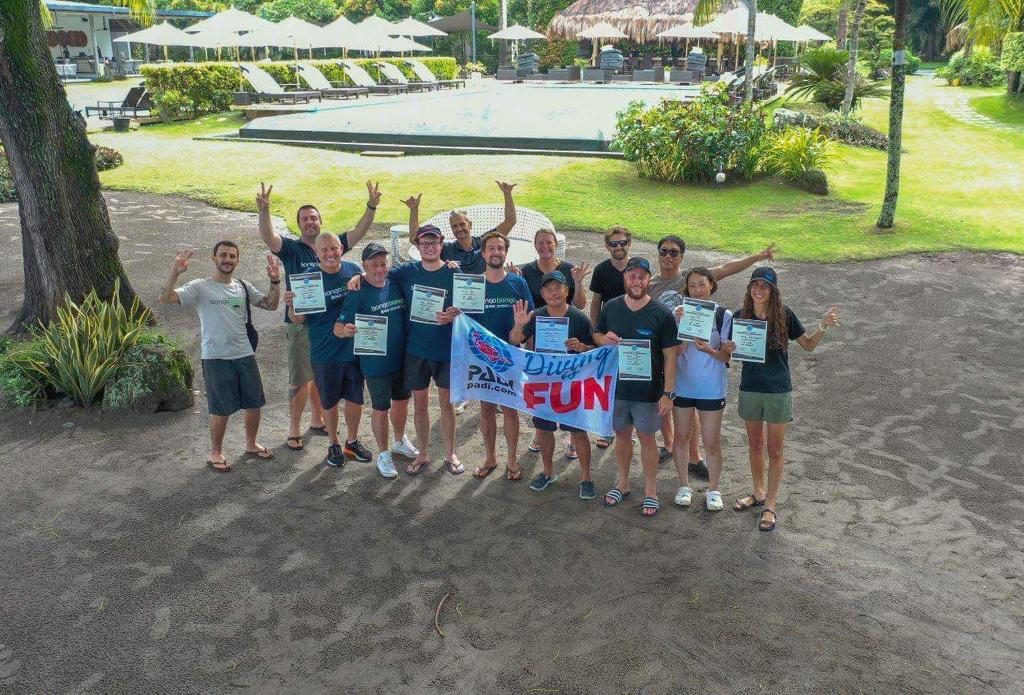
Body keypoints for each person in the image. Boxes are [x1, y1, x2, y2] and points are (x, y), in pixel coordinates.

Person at [256, 180, 380, 452]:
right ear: (299, 224)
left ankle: (318, 420)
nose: (310, 222)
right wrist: (264, 211)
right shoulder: (291, 249)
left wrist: (371, 205)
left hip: (335, 327)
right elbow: (268, 237)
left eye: (314, 218)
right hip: (301, 322)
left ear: (321, 222)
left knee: (323, 376)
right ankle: (294, 428)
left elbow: (360, 231)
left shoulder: (335, 249)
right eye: (304, 219)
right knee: (301, 377)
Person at [648, 234, 776, 470]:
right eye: (664, 251)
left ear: (681, 257)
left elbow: (727, 268)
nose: (668, 256)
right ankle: (668, 443)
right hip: (664, 348)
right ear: (658, 254)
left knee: (688, 401)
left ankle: (693, 456)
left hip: (695, 356)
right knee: (665, 399)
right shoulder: (650, 283)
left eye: (674, 252)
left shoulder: (691, 277)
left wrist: (758, 257)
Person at [731, 267, 839, 532]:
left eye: (764, 286)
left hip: (778, 389)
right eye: (755, 285)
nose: (758, 290)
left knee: (775, 450)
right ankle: (757, 492)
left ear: (773, 290)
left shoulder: (784, 315)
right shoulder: (740, 316)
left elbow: (808, 345)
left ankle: (770, 503)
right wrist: (727, 347)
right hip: (750, 387)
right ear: (749, 288)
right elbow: (723, 347)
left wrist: (823, 325)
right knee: (755, 444)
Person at [160, 242, 281, 472]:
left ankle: (251, 444)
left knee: (254, 404)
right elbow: (165, 298)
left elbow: (271, 305)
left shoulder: (243, 287)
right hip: (215, 357)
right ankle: (215, 451)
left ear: (237, 260)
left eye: (232, 256)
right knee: (221, 409)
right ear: (214, 258)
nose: (227, 259)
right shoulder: (200, 287)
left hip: (245, 354)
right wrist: (175, 271)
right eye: (223, 255)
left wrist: (275, 280)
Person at [593, 257, 681, 517]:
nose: (636, 281)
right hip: (617, 389)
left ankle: (651, 491)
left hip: (648, 392)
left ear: (648, 280)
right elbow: (597, 333)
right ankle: (622, 483)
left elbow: (671, 357)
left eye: (642, 277)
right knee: (621, 436)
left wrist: (668, 393)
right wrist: (602, 339)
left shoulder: (661, 314)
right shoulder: (611, 307)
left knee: (646, 438)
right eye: (632, 276)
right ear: (625, 278)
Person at [377, 225, 463, 475]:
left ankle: (450, 453)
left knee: (447, 404)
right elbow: (378, 274)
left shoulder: (454, 272)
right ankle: (423, 453)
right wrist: (357, 277)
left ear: (441, 244)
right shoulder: (406, 272)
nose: (429, 247)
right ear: (416, 245)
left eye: (433, 243)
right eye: (424, 243)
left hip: (445, 350)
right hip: (416, 350)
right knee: (420, 404)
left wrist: (455, 314)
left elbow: (469, 305)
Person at [284, 233, 372, 468]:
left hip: (354, 346)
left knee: (356, 398)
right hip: (324, 350)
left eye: (334, 248)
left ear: (341, 248)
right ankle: (333, 442)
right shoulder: (307, 280)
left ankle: (352, 441)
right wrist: (292, 305)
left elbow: (376, 282)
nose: (330, 254)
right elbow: (298, 319)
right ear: (316, 252)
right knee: (329, 401)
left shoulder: (353, 269)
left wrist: (362, 275)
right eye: (324, 250)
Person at [509, 271, 597, 499]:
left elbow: (595, 353)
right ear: (542, 293)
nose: (554, 292)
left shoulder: (579, 318)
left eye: (558, 287)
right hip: (543, 385)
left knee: (578, 433)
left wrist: (582, 347)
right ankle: (548, 472)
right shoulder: (535, 316)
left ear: (566, 290)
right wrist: (519, 325)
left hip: (572, 386)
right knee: (544, 431)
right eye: (548, 289)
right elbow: (514, 340)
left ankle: (586, 477)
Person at [336, 243, 419, 478]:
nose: (380, 269)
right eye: (374, 265)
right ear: (364, 266)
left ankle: (399, 440)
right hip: (375, 364)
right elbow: (338, 327)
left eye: (383, 264)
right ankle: (384, 454)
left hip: (401, 359)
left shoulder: (396, 282)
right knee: (381, 409)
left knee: (402, 402)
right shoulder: (357, 292)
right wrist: (347, 331)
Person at [464, 231, 534, 481]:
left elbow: (526, 324)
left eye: (500, 248)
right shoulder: (472, 285)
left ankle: (512, 459)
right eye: (491, 248)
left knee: (511, 410)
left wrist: (522, 332)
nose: (496, 252)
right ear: (483, 253)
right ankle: (490, 457)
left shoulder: (518, 283)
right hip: (482, 359)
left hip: (511, 357)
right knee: (486, 410)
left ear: (506, 252)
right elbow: (465, 324)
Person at [518, 228, 591, 459]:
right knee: (543, 387)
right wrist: (516, 280)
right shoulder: (527, 270)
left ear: (555, 244)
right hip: (538, 338)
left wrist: (578, 282)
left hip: (566, 338)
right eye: (540, 243)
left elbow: (579, 305)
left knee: (567, 389)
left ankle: (572, 438)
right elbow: (524, 307)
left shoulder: (568, 269)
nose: (545, 247)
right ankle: (541, 433)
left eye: (549, 242)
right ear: (535, 244)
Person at [670, 268, 734, 511]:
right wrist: (680, 324)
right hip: (683, 385)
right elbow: (677, 352)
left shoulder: (722, 315)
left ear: (711, 285)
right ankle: (684, 485)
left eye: (702, 284)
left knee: (711, 441)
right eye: (692, 285)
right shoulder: (679, 313)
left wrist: (709, 350)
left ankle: (714, 489)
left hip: (711, 388)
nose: (697, 289)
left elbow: (726, 355)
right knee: (682, 436)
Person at [406, 180, 518, 274]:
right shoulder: (446, 249)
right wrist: (414, 210)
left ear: (470, 225)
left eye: (462, 224)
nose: (459, 229)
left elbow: (510, 221)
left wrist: (507, 195)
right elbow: (414, 239)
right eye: (454, 226)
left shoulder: (485, 241)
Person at [588, 227, 632, 448]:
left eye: (622, 243)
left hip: (634, 335)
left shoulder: (638, 268)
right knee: (609, 382)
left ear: (629, 244)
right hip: (609, 335)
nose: (619, 247)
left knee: (631, 381)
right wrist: (596, 331)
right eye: (614, 244)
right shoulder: (601, 270)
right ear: (607, 246)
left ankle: (626, 427)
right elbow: (595, 303)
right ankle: (607, 430)